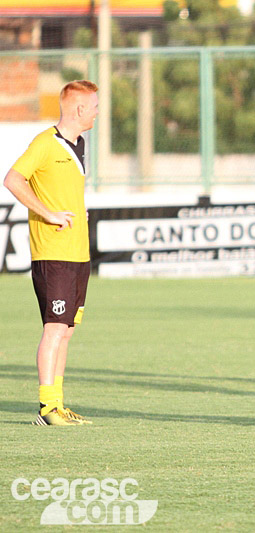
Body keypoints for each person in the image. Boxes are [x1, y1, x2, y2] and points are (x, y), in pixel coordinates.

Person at [3, 80, 99, 426]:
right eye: (95, 105)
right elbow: (13, 179)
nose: (97, 112)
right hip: (53, 253)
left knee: (67, 330)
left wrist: (75, 210)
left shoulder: (81, 144)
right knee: (54, 328)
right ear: (79, 109)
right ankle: (46, 408)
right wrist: (48, 213)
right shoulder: (44, 144)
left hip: (78, 253)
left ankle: (57, 404)